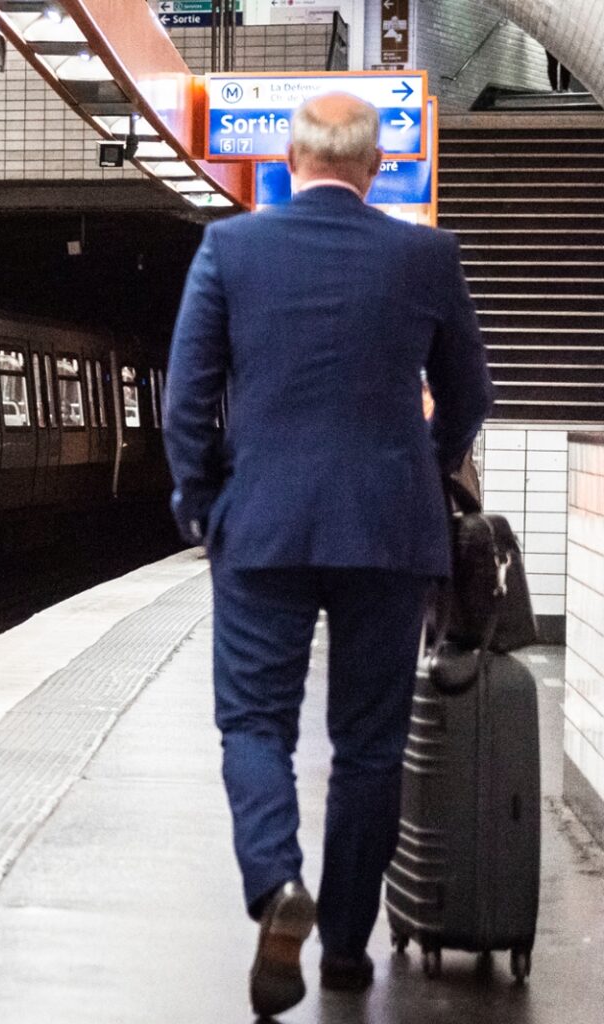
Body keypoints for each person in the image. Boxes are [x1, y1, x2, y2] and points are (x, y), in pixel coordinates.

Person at [162, 92, 493, 1017]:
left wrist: (201, 504)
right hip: (388, 531)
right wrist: (423, 471)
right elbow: (471, 393)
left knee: (255, 725)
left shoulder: (231, 249)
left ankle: (277, 887)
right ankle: (345, 948)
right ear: (374, 168)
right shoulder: (426, 256)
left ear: (291, 164)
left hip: (263, 525)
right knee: (368, 744)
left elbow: (186, 400)